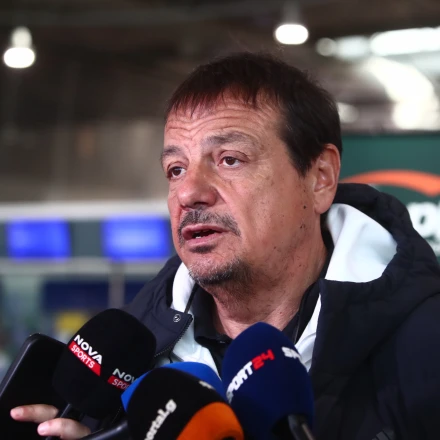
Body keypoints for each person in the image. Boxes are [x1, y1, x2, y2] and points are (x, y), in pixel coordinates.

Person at [11, 52, 440, 439]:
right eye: (175, 169)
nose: (188, 193)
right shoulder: (129, 364)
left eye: (229, 160)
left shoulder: (424, 346)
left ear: (320, 178)